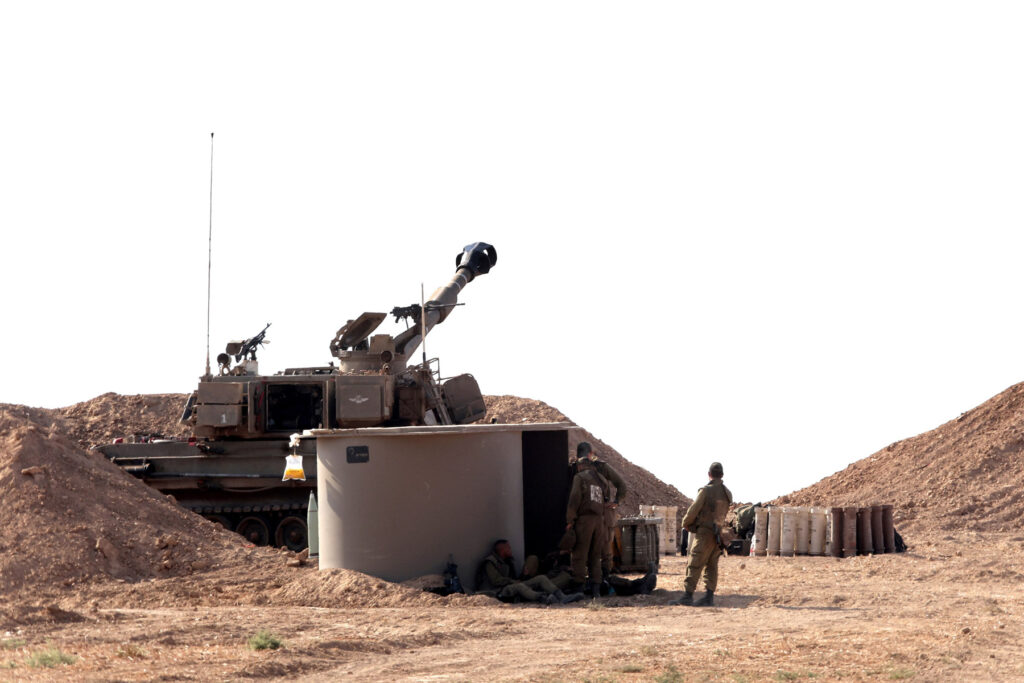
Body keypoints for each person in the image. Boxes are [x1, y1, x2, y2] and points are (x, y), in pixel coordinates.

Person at [675, 461, 733, 607]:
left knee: (695, 562)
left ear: (709, 474)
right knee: (712, 565)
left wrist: (686, 523)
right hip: (718, 535)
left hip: (705, 533)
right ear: (722, 475)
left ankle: (688, 595)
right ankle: (709, 596)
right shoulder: (727, 493)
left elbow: (694, 510)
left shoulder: (706, 491)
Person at [575, 442, 627, 578]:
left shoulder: (576, 468)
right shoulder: (601, 467)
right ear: (590, 454)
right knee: (604, 552)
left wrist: (616, 502)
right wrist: (615, 502)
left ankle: (593, 581)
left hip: (584, 516)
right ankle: (603, 581)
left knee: (583, 551)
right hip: (602, 514)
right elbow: (621, 485)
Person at [476, 539, 583, 604]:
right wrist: (514, 582)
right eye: (508, 548)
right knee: (520, 586)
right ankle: (543, 598)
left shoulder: (507, 562)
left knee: (541, 578)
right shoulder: (490, 562)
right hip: (497, 592)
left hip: (509, 586)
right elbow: (496, 581)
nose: (511, 549)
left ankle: (561, 597)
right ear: (503, 550)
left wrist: (523, 576)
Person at [566, 455, 611, 596]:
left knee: (579, 554)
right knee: (595, 556)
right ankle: (595, 589)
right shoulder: (602, 480)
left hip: (585, 520)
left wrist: (570, 520)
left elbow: (574, 499)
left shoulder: (580, 477)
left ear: (580, 466)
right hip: (600, 521)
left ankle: (579, 588)